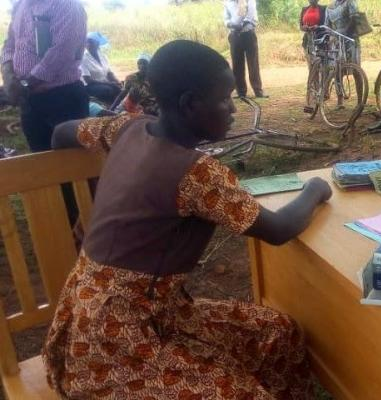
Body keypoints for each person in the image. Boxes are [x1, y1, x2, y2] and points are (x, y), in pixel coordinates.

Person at [42, 40, 332, 399]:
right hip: (112, 348)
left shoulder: (127, 129)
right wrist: (316, 189)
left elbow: (60, 133)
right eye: (224, 99)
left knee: (277, 330)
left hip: (123, 315)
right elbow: (279, 230)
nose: (232, 109)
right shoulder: (197, 175)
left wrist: (79, 189)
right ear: (190, 103)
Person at [1, 0, 89, 153]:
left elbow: (62, 52)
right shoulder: (21, 5)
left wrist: (25, 84)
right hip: (29, 99)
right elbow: (10, 43)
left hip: (63, 99)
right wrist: (8, 75)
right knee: (41, 158)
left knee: (72, 161)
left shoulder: (67, 5)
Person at [224, 0, 264, 98]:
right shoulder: (227, 2)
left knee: (253, 63)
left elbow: (251, 15)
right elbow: (226, 18)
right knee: (237, 64)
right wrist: (230, 24)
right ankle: (241, 92)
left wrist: (241, 25)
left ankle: (258, 90)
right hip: (234, 35)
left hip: (248, 33)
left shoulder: (249, 1)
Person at [81, 31, 122, 105]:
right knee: (108, 90)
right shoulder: (83, 58)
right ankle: (110, 108)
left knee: (120, 88)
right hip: (91, 86)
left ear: (97, 44)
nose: (88, 44)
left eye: (91, 42)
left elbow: (109, 73)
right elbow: (88, 80)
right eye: (87, 42)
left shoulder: (103, 56)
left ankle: (116, 108)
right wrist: (109, 83)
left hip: (105, 83)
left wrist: (117, 81)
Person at [325, 0, 360, 65]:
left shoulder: (349, 2)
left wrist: (345, 31)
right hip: (337, 39)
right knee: (338, 66)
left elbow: (354, 18)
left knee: (354, 65)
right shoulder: (329, 7)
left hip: (350, 37)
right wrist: (331, 36)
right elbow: (327, 26)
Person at [299, 0, 327, 71]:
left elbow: (326, 24)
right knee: (310, 65)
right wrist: (304, 27)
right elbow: (301, 26)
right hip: (307, 40)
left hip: (320, 40)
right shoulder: (304, 9)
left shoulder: (323, 9)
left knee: (320, 64)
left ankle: (322, 81)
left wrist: (317, 27)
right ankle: (313, 81)